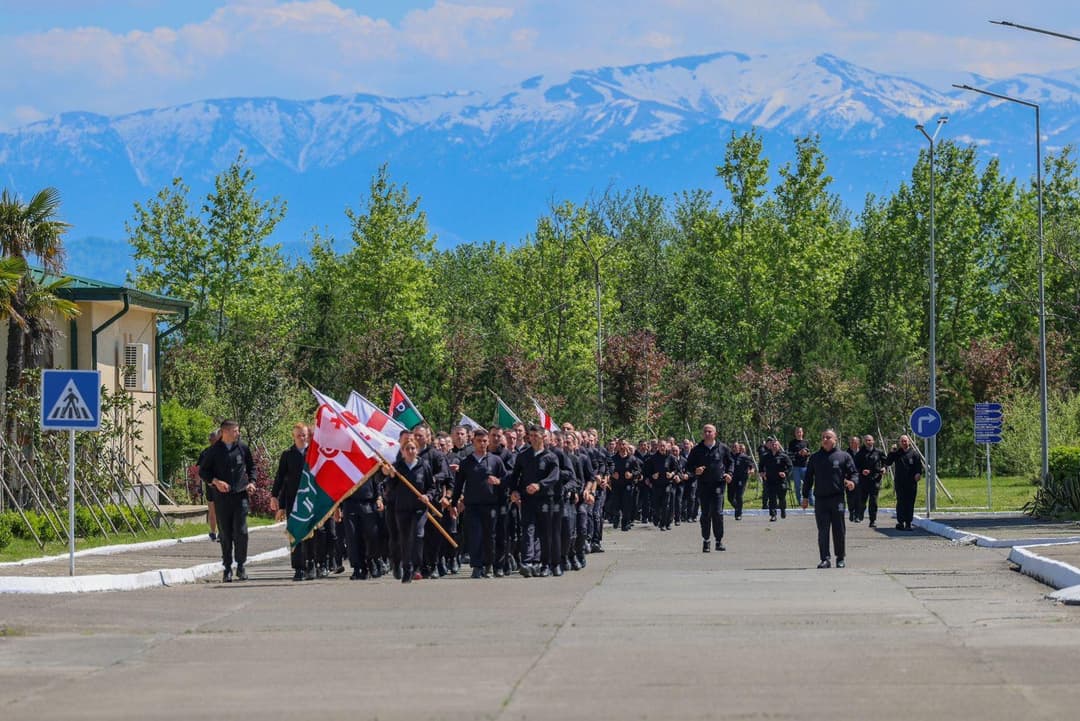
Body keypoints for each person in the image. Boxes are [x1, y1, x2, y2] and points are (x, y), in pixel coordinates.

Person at [199, 420, 257, 582]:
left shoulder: (242, 448)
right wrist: (216, 481)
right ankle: (227, 568)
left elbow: (252, 467)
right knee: (225, 533)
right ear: (225, 432)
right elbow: (203, 471)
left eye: (238, 431)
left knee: (241, 531)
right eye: (235, 431)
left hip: (240, 495)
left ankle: (241, 566)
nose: (237, 434)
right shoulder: (214, 451)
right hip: (222, 498)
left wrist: (252, 482)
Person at [450, 428, 507, 579]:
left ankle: (488, 565)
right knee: (475, 535)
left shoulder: (495, 460)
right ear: (473, 442)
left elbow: (506, 479)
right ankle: (477, 565)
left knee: (490, 536)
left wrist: (499, 481)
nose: (482, 444)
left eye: (484, 441)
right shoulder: (466, 462)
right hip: (472, 505)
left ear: (488, 442)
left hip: (491, 505)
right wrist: (454, 503)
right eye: (478, 441)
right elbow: (458, 484)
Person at [382, 438, 438, 583]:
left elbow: (432, 487)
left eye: (413, 448)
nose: (410, 451)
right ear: (402, 451)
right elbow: (390, 488)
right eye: (407, 449)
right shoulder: (397, 467)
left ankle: (417, 567)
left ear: (417, 450)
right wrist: (391, 476)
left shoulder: (423, 466)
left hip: (419, 509)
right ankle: (407, 568)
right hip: (402, 509)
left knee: (418, 535)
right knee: (405, 539)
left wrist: (428, 496)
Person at [801, 429, 857, 568]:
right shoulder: (815, 457)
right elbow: (808, 478)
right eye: (823, 437)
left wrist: (852, 482)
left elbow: (854, 473)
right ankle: (825, 558)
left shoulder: (844, 456)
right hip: (820, 500)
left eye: (828, 437)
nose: (825, 439)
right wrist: (805, 496)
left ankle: (840, 557)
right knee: (823, 530)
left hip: (837, 499)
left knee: (839, 529)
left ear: (835, 440)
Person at [509, 425, 560, 578]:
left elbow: (554, 476)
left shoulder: (551, 457)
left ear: (543, 437)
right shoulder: (523, 456)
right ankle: (527, 562)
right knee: (528, 530)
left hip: (545, 499)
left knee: (545, 533)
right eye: (530, 435)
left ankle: (545, 564)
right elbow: (515, 476)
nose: (533, 438)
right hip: (528, 499)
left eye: (536, 435)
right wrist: (515, 491)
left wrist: (539, 485)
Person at [272, 423, 313, 581]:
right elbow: (280, 477)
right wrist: (275, 497)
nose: (302, 438)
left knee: (310, 534)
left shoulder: (314, 453)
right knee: (295, 534)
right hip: (294, 500)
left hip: (311, 499)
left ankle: (311, 563)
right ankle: (299, 568)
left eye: (304, 435)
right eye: (298, 436)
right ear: (293, 437)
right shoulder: (287, 455)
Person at [687, 424, 733, 552]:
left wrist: (729, 474)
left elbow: (730, 463)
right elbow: (688, 466)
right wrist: (695, 470)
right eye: (705, 431)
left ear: (715, 434)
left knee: (717, 513)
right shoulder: (697, 449)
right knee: (706, 513)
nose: (707, 433)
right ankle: (706, 540)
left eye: (710, 431)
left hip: (718, 485)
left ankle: (719, 541)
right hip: (703, 485)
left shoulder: (722, 448)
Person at [885, 435, 924, 531]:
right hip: (900, 483)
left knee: (910, 503)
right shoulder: (897, 453)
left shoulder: (914, 454)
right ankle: (900, 522)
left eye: (905, 441)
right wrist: (891, 452)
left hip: (911, 483)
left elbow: (918, 467)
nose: (904, 443)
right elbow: (888, 462)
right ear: (899, 443)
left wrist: (918, 474)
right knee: (901, 502)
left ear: (909, 442)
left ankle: (908, 523)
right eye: (902, 441)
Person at [760, 437, 791, 521]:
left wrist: (785, 473)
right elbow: (761, 465)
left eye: (776, 445)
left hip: (781, 481)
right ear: (770, 446)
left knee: (781, 498)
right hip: (770, 480)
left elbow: (790, 466)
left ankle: (783, 510)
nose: (774, 446)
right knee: (772, 499)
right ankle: (773, 515)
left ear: (778, 446)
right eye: (773, 445)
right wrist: (762, 473)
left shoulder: (783, 456)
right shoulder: (766, 456)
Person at [197, 431, 220, 542]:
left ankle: (221, 531)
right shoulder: (205, 452)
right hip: (211, 484)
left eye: (213, 439)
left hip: (221, 484)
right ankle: (213, 531)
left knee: (220, 509)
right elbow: (199, 470)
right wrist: (198, 485)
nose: (212, 441)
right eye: (211, 440)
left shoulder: (223, 451)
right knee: (212, 509)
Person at [728, 442, 754, 520]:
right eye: (732, 446)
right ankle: (738, 508)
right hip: (731, 479)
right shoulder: (729, 456)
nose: (734, 448)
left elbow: (751, 465)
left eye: (735, 447)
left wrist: (752, 470)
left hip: (741, 479)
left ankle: (738, 514)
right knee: (730, 498)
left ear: (739, 448)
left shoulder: (744, 457)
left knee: (739, 496)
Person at [788, 427, 811, 507]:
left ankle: (811, 500)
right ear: (795, 433)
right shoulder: (792, 443)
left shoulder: (806, 442)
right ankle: (800, 501)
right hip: (796, 467)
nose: (799, 433)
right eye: (797, 432)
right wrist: (799, 453)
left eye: (800, 432)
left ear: (802, 433)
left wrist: (806, 453)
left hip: (805, 467)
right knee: (797, 486)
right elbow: (790, 455)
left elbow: (809, 453)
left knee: (808, 484)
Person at [846, 436, 863, 521]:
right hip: (849, 478)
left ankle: (857, 515)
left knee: (859, 497)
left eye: (855, 442)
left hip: (860, 478)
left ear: (858, 443)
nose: (853, 444)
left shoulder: (862, 452)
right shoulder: (846, 453)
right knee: (850, 497)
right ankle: (851, 512)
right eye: (851, 442)